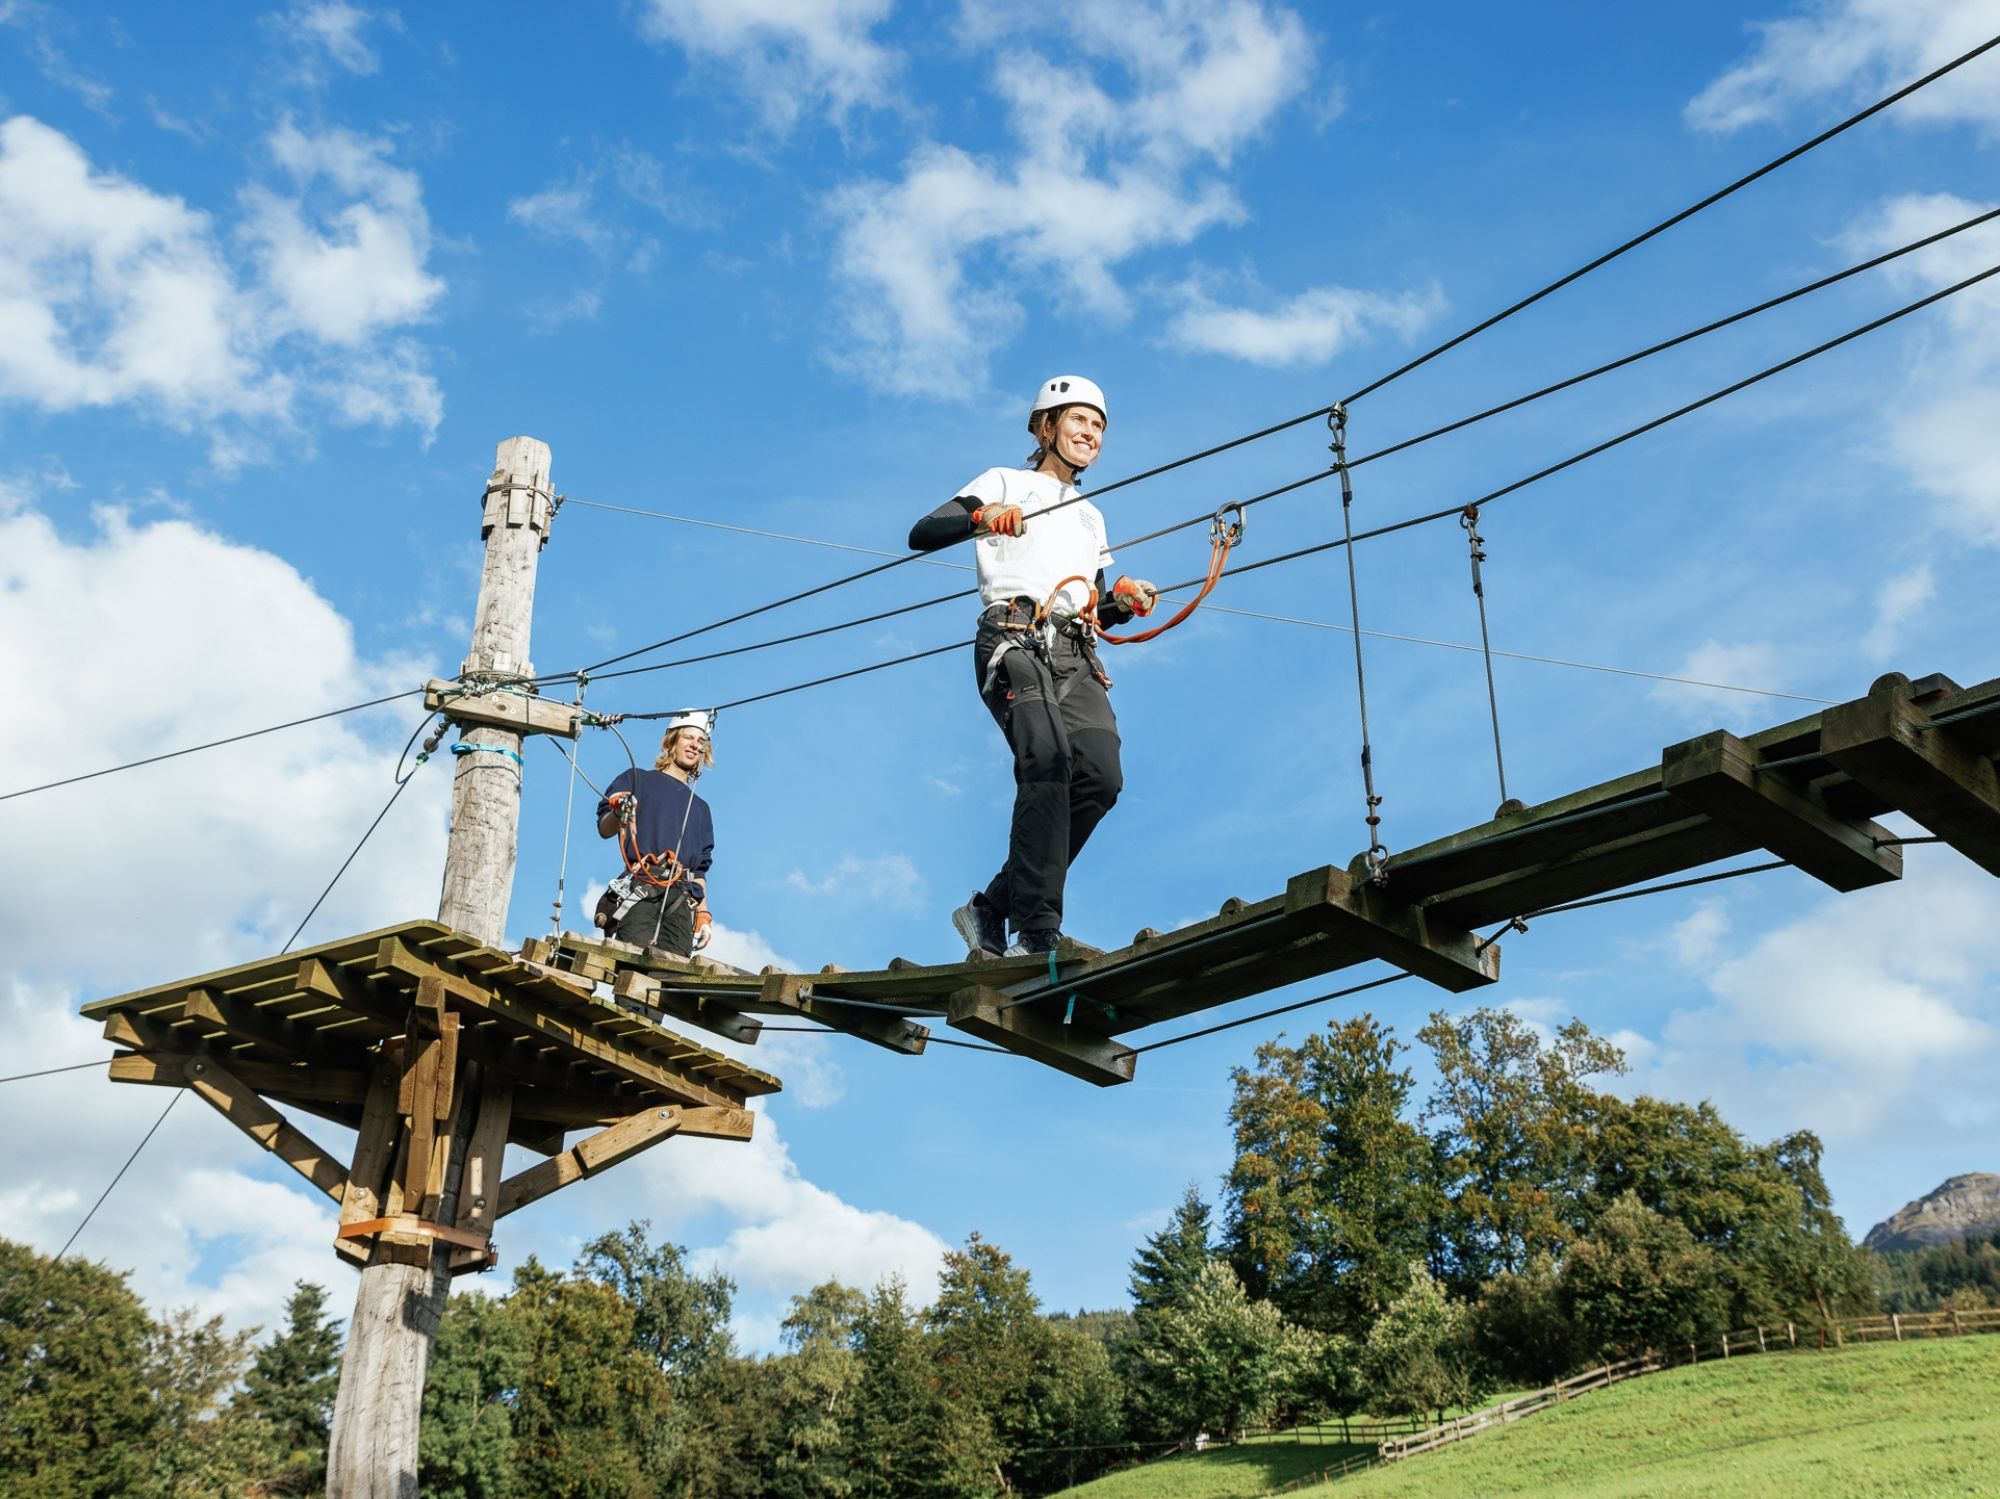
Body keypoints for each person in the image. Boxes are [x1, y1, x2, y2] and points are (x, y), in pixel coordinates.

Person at [908, 375, 1158, 957]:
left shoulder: (1091, 517)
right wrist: (984, 517)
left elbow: (1094, 603)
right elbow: (923, 533)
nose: (1090, 434)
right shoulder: (1005, 481)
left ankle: (992, 907)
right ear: (1047, 426)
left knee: (1100, 774)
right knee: (1047, 758)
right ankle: (1036, 930)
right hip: (1014, 635)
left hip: (1074, 650)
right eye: (1078, 420)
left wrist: (1122, 599)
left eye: (1098, 426)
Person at [594, 710, 716, 958]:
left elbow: (699, 872)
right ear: (671, 741)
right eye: (688, 738)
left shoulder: (701, 809)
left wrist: (703, 915)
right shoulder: (638, 779)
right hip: (644, 888)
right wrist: (620, 809)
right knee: (635, 969)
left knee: (673, 980)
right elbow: (605, 829)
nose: (695, 745)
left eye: (701, 742)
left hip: (682, 901)